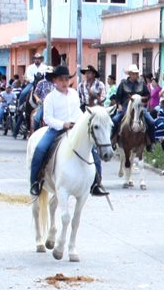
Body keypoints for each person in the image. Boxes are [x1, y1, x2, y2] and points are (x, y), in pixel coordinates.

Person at [28, 66, 106, 197]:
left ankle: (96, 183)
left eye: (66, 79)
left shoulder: (74, 94)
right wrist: (63, 124)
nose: (64, 82)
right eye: (61, 80)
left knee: (93, 150)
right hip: (56, 129)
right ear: (54, 81)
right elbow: (47, 118)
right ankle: (35, 182)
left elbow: (78, 111)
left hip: (75, 128)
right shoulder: (50, 98)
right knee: (41, 148)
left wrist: (82, 121)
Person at [110, 65, 157, 148]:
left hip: (139, 107)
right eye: (134, 73)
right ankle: (113, 139)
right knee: (114, 120)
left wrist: (143, 98)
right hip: (125, 106)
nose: (135, 75)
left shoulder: (141, 83)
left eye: (136, 73)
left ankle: (151, 142)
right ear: (130, 74)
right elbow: (118, 97)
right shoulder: (123, 83)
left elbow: (148, 95)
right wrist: (119, 105)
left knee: (151, 122)